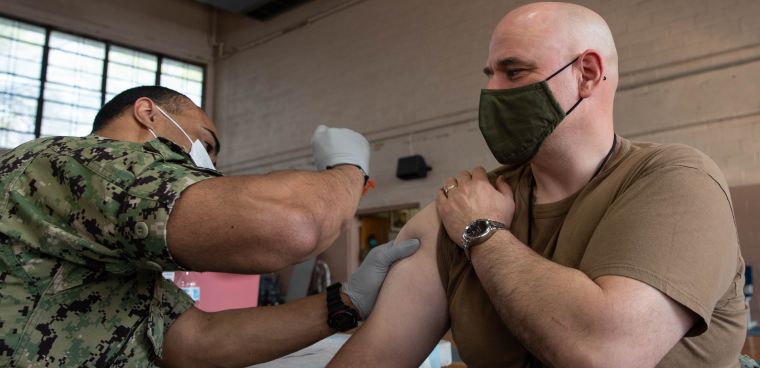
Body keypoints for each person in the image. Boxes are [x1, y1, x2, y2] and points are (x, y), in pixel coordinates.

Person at [329, 2, 748, 368]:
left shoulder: (675, 179)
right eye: (490, 74)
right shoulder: (464, 201)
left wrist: (483, 232)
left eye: (514, 71)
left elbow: (606, 353)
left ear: (587, 73)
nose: (491, 90)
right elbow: (377, 356)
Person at [0, 85, 419, 367]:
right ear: (148, 113)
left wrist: (344, 302)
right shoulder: (73, 161)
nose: (210, 165)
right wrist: (349, 169)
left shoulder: (108, 241)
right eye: (207, 144)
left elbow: (197, 338)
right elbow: (291, 225)